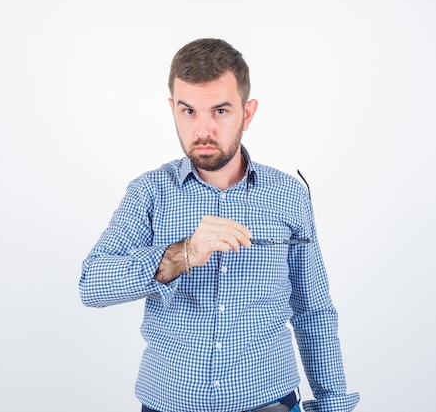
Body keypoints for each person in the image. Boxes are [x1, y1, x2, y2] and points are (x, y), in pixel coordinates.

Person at [79, 38, 359, 412]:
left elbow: (313, 309)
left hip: (270, 403)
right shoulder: (149, 193)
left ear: (248, 112)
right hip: (167, 404)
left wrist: (332, 404)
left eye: (221, 111)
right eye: (189, 111)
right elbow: (92, 284)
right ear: (172, 109)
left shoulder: (289, 195)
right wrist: (183, 254)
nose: (203, 130)